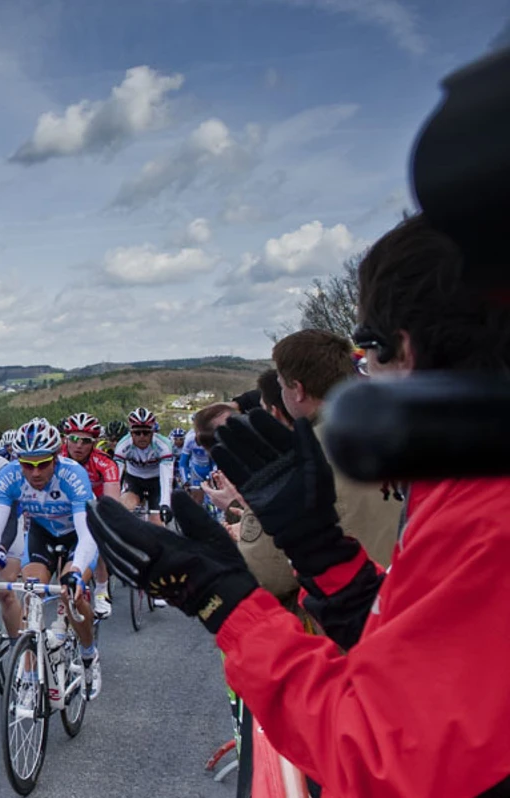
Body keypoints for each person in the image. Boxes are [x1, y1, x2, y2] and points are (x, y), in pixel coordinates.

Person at [86, 213, 510, 796]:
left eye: (369, 351)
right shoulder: (470, 477)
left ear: (406, 348)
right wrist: (327, 558)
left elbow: (383, 759)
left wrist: (221, 602)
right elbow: (426, 658)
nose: (364, 373)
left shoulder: (486, 511)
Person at [0, 418, 104, 699]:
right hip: (42, 533)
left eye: (43, 464)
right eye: (28, 465)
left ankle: (89, 656)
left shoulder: (73, 475)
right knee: (31, 594)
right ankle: (28, 676)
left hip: (79, 536)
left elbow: (87, 533)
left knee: (71, 596)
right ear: (19, 462)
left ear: (55, 458)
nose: (35, 472)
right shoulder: (10, 476)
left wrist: (76, 571)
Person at [272, 328, 404, 567]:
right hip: (414, 576)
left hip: (351, 583)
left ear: (298, 390)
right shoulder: (397, 426)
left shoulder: (301, 455)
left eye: (282, 385)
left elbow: (269, 570)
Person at [60, 413, 121, 618]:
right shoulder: (57, 458)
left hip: (97, 503)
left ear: (94, 443)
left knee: (98, 536)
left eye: (85, 441)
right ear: (66, 439)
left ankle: (101, 590)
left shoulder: (104, 463)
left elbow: (112, 501)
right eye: (73, 439)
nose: (78, 446)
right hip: (66, 505)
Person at [114, 407, 176, 523]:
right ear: (131, 433)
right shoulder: (123, 445)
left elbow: (166, 476)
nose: (142, 436)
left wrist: (166, 503)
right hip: (134, 479)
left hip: (157, 481)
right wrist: (111, 502)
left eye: (146, 433)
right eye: (137, 433)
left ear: (153, 433)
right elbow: (115, 477)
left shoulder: (163, 445)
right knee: (124, 506)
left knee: (156, 523)